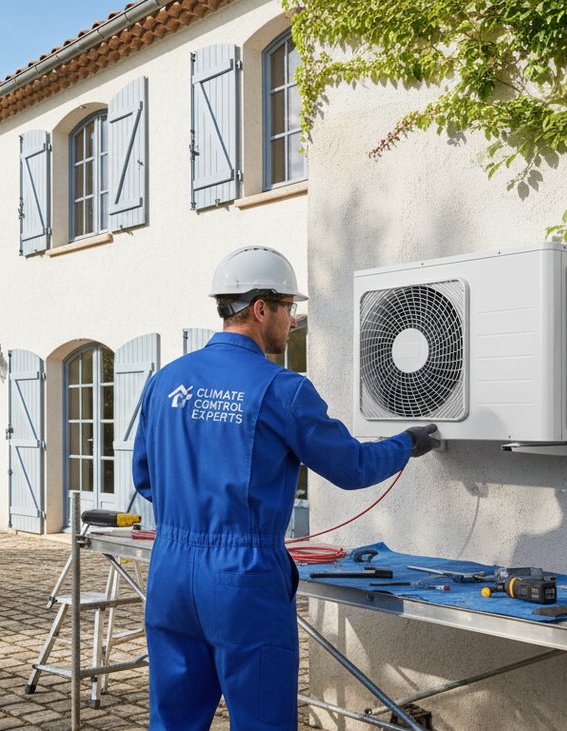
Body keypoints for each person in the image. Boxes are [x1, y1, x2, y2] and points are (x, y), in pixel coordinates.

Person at [132, 245, 440, 730]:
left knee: (173, 722)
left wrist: (194, 512)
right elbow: (352, 467)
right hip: (242, 580)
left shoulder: (166, 382)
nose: (293, 321)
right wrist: (408, 442)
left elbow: (145, 480)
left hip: (169, 573)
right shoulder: (283, 389)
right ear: (260, 308)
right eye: (289, 308)